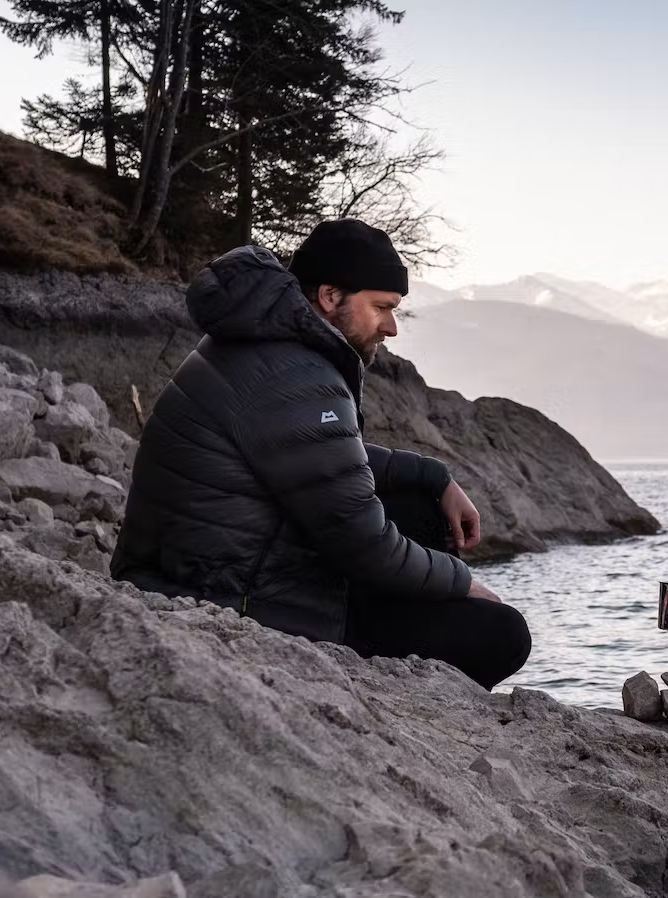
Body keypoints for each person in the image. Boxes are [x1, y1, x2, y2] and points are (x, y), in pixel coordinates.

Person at [110, 219, 532, 691]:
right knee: (503, 634)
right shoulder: (295, 372)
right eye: (381, 308)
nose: (392, 327)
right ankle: (389, 686)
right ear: (330, 297)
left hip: (214, 567)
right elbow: (364, 545)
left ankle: (394, 626)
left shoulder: (266, 341)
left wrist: (434, 476)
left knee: (419, 502)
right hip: (235, 600)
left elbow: (320, 457)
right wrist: (464, 583)